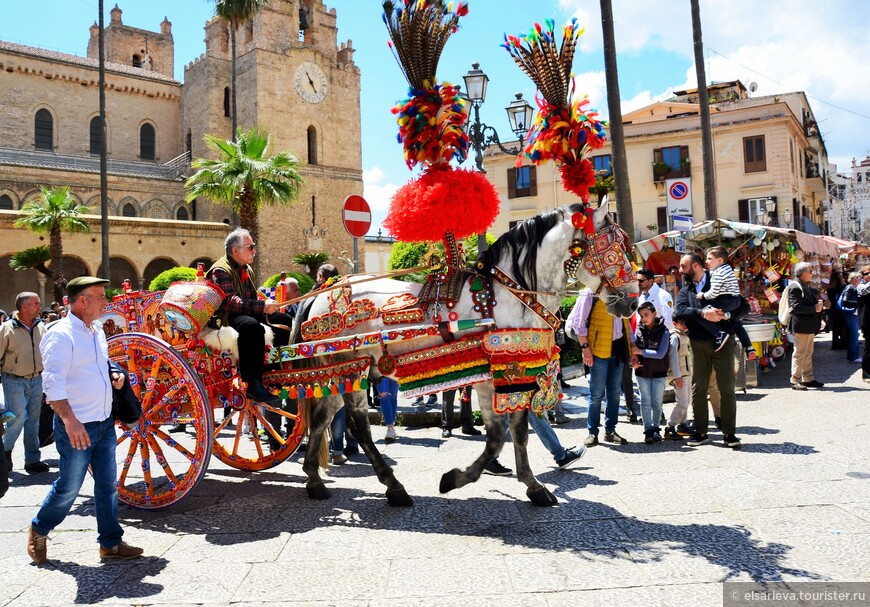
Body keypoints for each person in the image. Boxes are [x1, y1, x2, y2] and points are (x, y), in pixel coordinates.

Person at [29, 276, 144, 565]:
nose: (106, 301)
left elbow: (97, 366)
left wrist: (113, 374)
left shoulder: (96, 332)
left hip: (103, 423)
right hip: (78, 425)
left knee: (107, 485)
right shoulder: (61, 334)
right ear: (83, 301)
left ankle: (111, 543)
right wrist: (70, 422)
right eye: (101, 296)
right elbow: (52, 384)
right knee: (69, 486)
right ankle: (39, 528)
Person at [206, 227, 294, 402]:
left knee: (284, 319)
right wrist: (262, 307)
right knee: (251, 326)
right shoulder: (220, 271)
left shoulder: (247, 269)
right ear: (235, 250)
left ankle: (272, 371)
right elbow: (230, 302)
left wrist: (266, 308)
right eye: (250, 247)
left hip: (247, 312)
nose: (254, 250)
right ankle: (253, 382)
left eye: (254, 246)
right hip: (225, 318)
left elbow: (250, 301)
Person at [674, 253, 741, 448]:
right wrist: (702, 313)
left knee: (726, 388)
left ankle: (729, 433)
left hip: (724, 342)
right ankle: (701, 431)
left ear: (696, 266)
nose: (680, 270)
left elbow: (740, 305)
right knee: (699, 388)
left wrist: (725, 313)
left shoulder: (719, 281)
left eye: (683, 266)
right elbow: (678, 312)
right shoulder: (685, 291)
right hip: (698, 343)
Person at [570, 288, 631, 447]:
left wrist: (631, 348)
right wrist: (585, 349)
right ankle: (592, 432)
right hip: (597, 350)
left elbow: (627, 321)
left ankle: (610, 430)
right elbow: (578, 323)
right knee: (596, 394)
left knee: (615, 393)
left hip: (618, 349)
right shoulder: (590, 292)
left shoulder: (621, 289)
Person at [1, 291, 49, 473]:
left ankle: (32, 459)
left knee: (33, 420)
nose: (39, 306)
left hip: (37, 378)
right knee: (18, 417)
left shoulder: (41, 327)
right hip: (14, 379)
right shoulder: (6, 328)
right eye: (36, 303)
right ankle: (5, 451)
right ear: (24, 307)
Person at [631, 302, 670, 444]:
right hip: (642, 371)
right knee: (645, 401)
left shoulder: (664, 331)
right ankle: (648, 430)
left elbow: (660, 354)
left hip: (659, 371)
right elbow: (633, 347)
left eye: (647, 315)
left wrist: (640, 352)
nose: (644, 318)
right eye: (641, 316)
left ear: (654, 314)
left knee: (657, 402)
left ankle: (656, 428)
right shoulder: (639, 329)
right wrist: (634, 359)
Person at [695, 246, 742, 351]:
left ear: (720, 260)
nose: (706, 261)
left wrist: (703, 295)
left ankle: (719, 333)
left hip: (726, 301)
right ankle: (725, 320)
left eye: (709, 259)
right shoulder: (726, 269)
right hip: (734, 300)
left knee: (702, 313)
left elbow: (714, 293)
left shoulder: (718, 274)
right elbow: (713, 274)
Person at [787, 262, 825, 391]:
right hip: (801, 326)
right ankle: (795, 380)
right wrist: (814, 308)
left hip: (807, 326)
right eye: (810, 271)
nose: (812, 273)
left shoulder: (803, 285)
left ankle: (808, 378)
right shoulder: (795, 286)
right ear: (803, 274)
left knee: (808, 353)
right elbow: (795, 307)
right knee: (800, 353)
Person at [664, 318, 692, 440]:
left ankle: (682, 424)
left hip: (686, 373)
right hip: (680, 375)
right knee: (682, 402)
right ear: (674, 324)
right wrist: (677, 376)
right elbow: (673, 358)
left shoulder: (683, 336)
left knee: (686, 400)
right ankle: (670, 426)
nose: (685, 325)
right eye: (682, 323)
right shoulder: (675, 337)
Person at [838, 272, 862, 364]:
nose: (858, 280)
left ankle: (853, 356)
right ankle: (853, 356)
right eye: (856, 278)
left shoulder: (852, 287)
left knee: (854, 334)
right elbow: (846, 300)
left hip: (852, 313)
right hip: (850, 313)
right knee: (854, 335)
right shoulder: (850, 288)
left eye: (859, 278)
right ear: (852, 279)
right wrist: (858, 303)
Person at [826, 268, 847, 350]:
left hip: (833, 308)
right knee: (843, 326)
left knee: (835, 328)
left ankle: (835, 344)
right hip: (842, 308)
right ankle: (843, 343)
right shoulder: (843, 286)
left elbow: (830, 299)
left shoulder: (830, 288)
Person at [857, 266, 870, 382]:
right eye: (866, 273)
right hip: (867, 321)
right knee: (868, 347)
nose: (868, 275)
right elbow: (865, 290)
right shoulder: (860, 286)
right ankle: (866, 373)